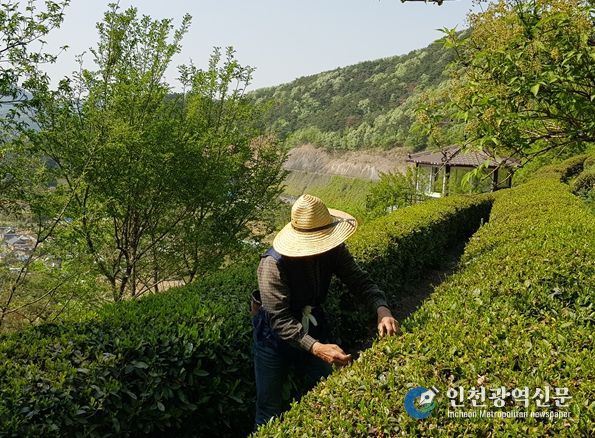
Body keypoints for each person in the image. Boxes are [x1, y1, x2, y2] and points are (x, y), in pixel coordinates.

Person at [252, 194, 399, 428]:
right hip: (272, 338)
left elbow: (359, 280)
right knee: (268, 410)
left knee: (325, 389)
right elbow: (279, 319)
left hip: (313, 325)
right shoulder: (273, 264)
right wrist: (316, 347)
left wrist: (382, 309)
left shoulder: (333, 251)